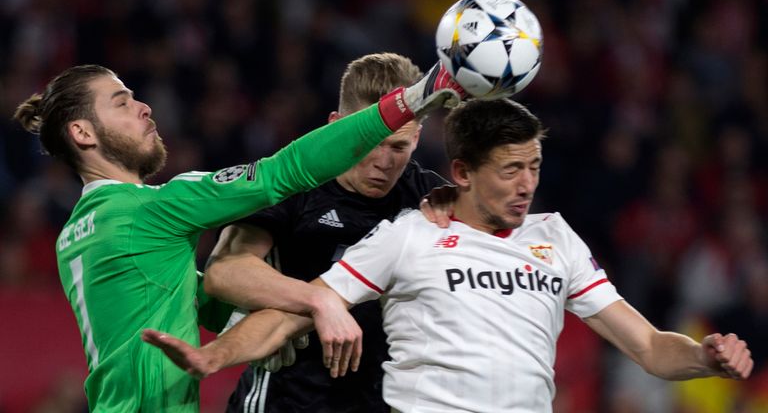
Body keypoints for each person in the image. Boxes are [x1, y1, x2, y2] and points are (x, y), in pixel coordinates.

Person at [143, 98, 753, 412]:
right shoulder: (408, 235)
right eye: (510, 169)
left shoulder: (557, 238)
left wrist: (703, 358)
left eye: (534, 167)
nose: (526, 184)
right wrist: (213, 355)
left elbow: (647, 347)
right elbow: (300, 309)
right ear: (461, 171)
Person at [13, 63, 463, 412]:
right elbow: (285, 172)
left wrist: (252, 323)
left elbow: (188, 298)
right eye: (121, 103)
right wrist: (413, 98)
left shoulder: (77, 231)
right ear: (82, 133)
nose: (143, 107)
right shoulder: (150, 209)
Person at [203, 52, 449, 413]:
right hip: (283, 402)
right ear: (336, 126)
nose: (384, 161)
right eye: (370, 142)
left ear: (417, 138)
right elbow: (225, 271)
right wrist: (322, 300)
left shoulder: (431, 197)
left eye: (399, 146)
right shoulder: (291, 182)